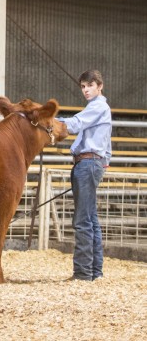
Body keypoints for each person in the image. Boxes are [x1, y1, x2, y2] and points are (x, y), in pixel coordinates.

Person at [59, 69, 112, 281]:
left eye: (90, 85)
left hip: (88, 162)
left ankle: (82, 273)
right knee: (91, 219)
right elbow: (107, 144)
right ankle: (94, 272)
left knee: (82, 220)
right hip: (92, 163)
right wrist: (103, 162)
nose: (86, 90)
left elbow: (75, 124)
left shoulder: (98, 106)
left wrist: (50, 121)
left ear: (99, 86)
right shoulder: (99, 108)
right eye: (83, 86)